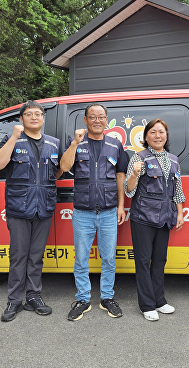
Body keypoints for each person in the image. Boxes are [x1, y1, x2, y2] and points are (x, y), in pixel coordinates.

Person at [0, 100, 62, 322]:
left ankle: (33, 296)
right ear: (21, 119)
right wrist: (13, 137)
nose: (34, 117)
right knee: (18, 256)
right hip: (19, 208)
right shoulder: (13, 140)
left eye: (38, 114)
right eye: (29, 114)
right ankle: (14, 301)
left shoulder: (53, 143)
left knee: (36, 257)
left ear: (43, 119)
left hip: (44, 208)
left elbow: (56, 173)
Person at [60, 103, 129, 321]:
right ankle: (82, 299)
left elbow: (120, 178)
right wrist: (74, 143)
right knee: (81, 258)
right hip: (83, 213)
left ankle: (107, 297)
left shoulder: (115, 145)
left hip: (108, 212)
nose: (97, 120)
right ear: (85, 120)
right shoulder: (78, 143)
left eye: (101, 117)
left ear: (106, 120)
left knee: (108, 258)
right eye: (92, 117)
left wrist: (120, 206)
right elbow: (63, 166)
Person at [124, 119, 185, 321]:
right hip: (143, 216)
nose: (157, 136)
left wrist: (180, 212)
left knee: (159, 260)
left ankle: (160, 301)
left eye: (161, 132)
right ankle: (147, 304)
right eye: (153, 132)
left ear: (166, 136)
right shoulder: (138, 157)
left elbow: (178, 189)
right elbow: (129, 189)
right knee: (143, 261)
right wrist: (134, 174)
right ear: (146, 137)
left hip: (166, 216)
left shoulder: (174, 159)